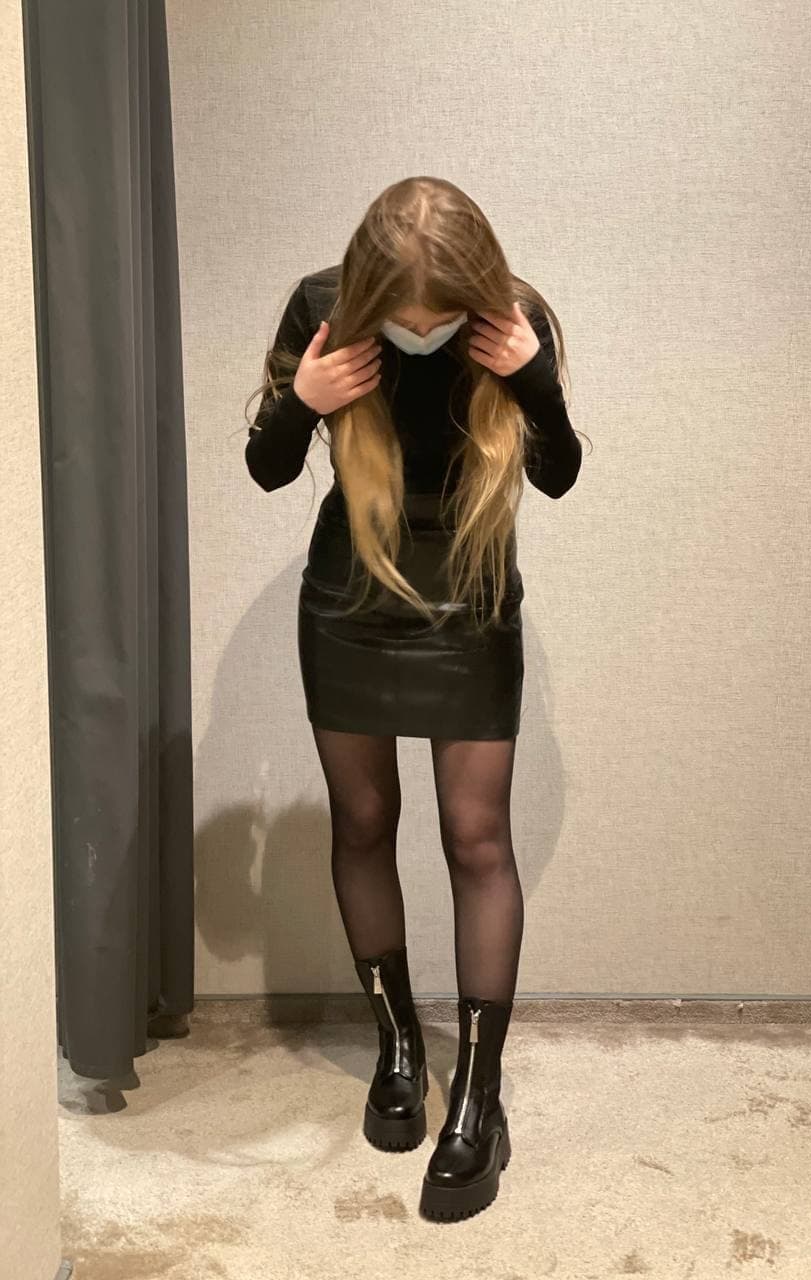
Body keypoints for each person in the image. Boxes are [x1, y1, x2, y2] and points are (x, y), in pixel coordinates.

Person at [244, 175, 585, 1222]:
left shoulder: (514, 320)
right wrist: (304, 402)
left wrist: (534, 383)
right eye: (405, 320)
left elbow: (560, 474)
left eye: (442, 321)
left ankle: (477, 1098)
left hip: (470, 596)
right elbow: (267, 469)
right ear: (368, 293)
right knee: (362, 821)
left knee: (476, 841)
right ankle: (397, 1048)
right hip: (350, 595)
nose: (423, 336)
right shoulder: (322, 308)